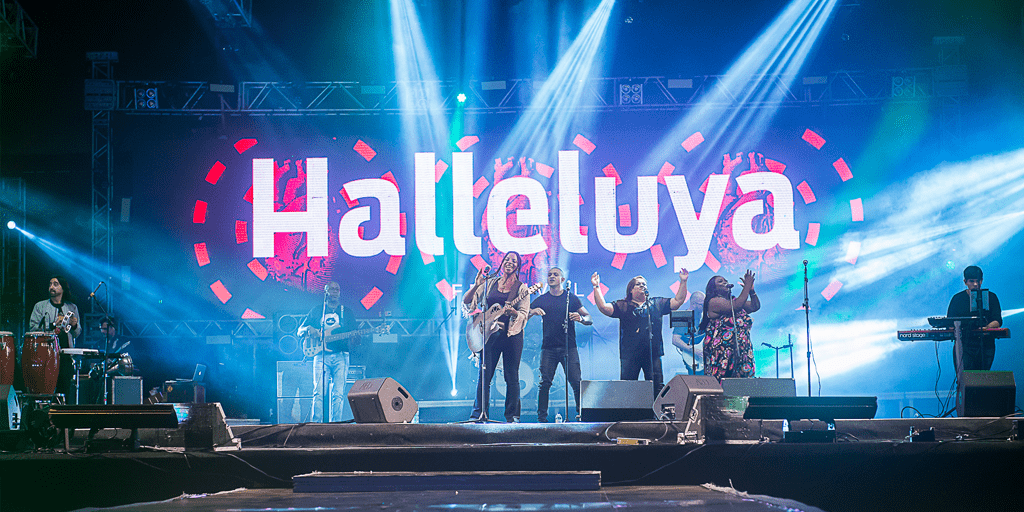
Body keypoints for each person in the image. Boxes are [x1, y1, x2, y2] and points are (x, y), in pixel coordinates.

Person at [591, 269, 689, 396]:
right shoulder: (623, 305)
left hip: (652, 353)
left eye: (644, 284)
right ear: (631, 290)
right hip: (630, 355)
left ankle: (656, 414)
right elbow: (604, 307)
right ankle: (631, 415)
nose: (642, 286)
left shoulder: (656, 303)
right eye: (638, 284)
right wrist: (596, 286)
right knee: (628, 387)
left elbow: (677, 302)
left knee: (657, 387)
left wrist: (683, 281)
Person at [464, 251, 531, 422]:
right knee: (484, 375)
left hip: (511, 335)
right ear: (502, 263)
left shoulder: (521, 288)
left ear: (518, 266)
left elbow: (524, 313)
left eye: (514, 261)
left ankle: (512, 416)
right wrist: (476, 285)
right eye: (507, 259)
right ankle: (478, 414)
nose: (509, 262)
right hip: (489, 335)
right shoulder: (490, 283)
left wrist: (514, 312)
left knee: (511, 376)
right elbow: (467, 301)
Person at [528, 267, 592, 422]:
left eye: (555, 275)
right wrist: (533, 311)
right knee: (545, 383)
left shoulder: (572, 298)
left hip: (568, 347)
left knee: (576, 382)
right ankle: (541, 418)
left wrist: (581, 319)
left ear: (562, 280)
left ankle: (581, 415)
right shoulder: (542, 299)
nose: (551, 277)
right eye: (549, 275)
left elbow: (589, 318)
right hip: (548, 347)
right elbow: (524, 315)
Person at [298, 281, 360, 422]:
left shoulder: (346, 312)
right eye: (331, 289)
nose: (334, 291)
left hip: (341, 355)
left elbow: (356, 338)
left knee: (338, 393)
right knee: (318, 392)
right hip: (320, 355)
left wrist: (357, 337)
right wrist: (308, 329)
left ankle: (336, 424)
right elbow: (299, 331)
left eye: (337, 289)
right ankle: (316, 424)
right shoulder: (317, 310)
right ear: (325, 292)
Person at [699, 271, 760, 381]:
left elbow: (754, 306)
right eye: (720, 281)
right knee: (724, 382)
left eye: (725, 280)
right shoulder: (714, 302)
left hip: (741, 349)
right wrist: (746, 286)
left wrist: (751, 291)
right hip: (723, 350)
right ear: (714, 288)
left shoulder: (734, 301)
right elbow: (736, 307)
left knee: (742, 383)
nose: (725, 282)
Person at [28, 275, 82, 398]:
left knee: (65, 389)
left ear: (63, 288)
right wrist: (52, 325)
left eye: (56, 284)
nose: (51, 287)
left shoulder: (72, 307)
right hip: (46, 355)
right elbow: (33, 328)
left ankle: (62, 414)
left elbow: (77, 333)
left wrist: (74, 325)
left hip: (65, 355)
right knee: (46, 389)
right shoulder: (40, 306)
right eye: (50, 284)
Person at [946, 265, 1002, 371]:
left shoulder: (991, 297)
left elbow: (998, 320)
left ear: (982, 280)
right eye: (971, 281)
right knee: (964, 379)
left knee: (982, 379)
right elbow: (950, 322)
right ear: (965, 281)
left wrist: (987, 327)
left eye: (978, 281)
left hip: (986, 344)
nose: (975, 284)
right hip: (963, 345)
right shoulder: (957, 299)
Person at [671, 291, 706, 375]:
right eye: (702, 305)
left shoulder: (705, 317)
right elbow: (675, 340)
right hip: (692, 356)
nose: (704, 307)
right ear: (693, 304)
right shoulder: (682, 316)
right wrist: (692, 350)